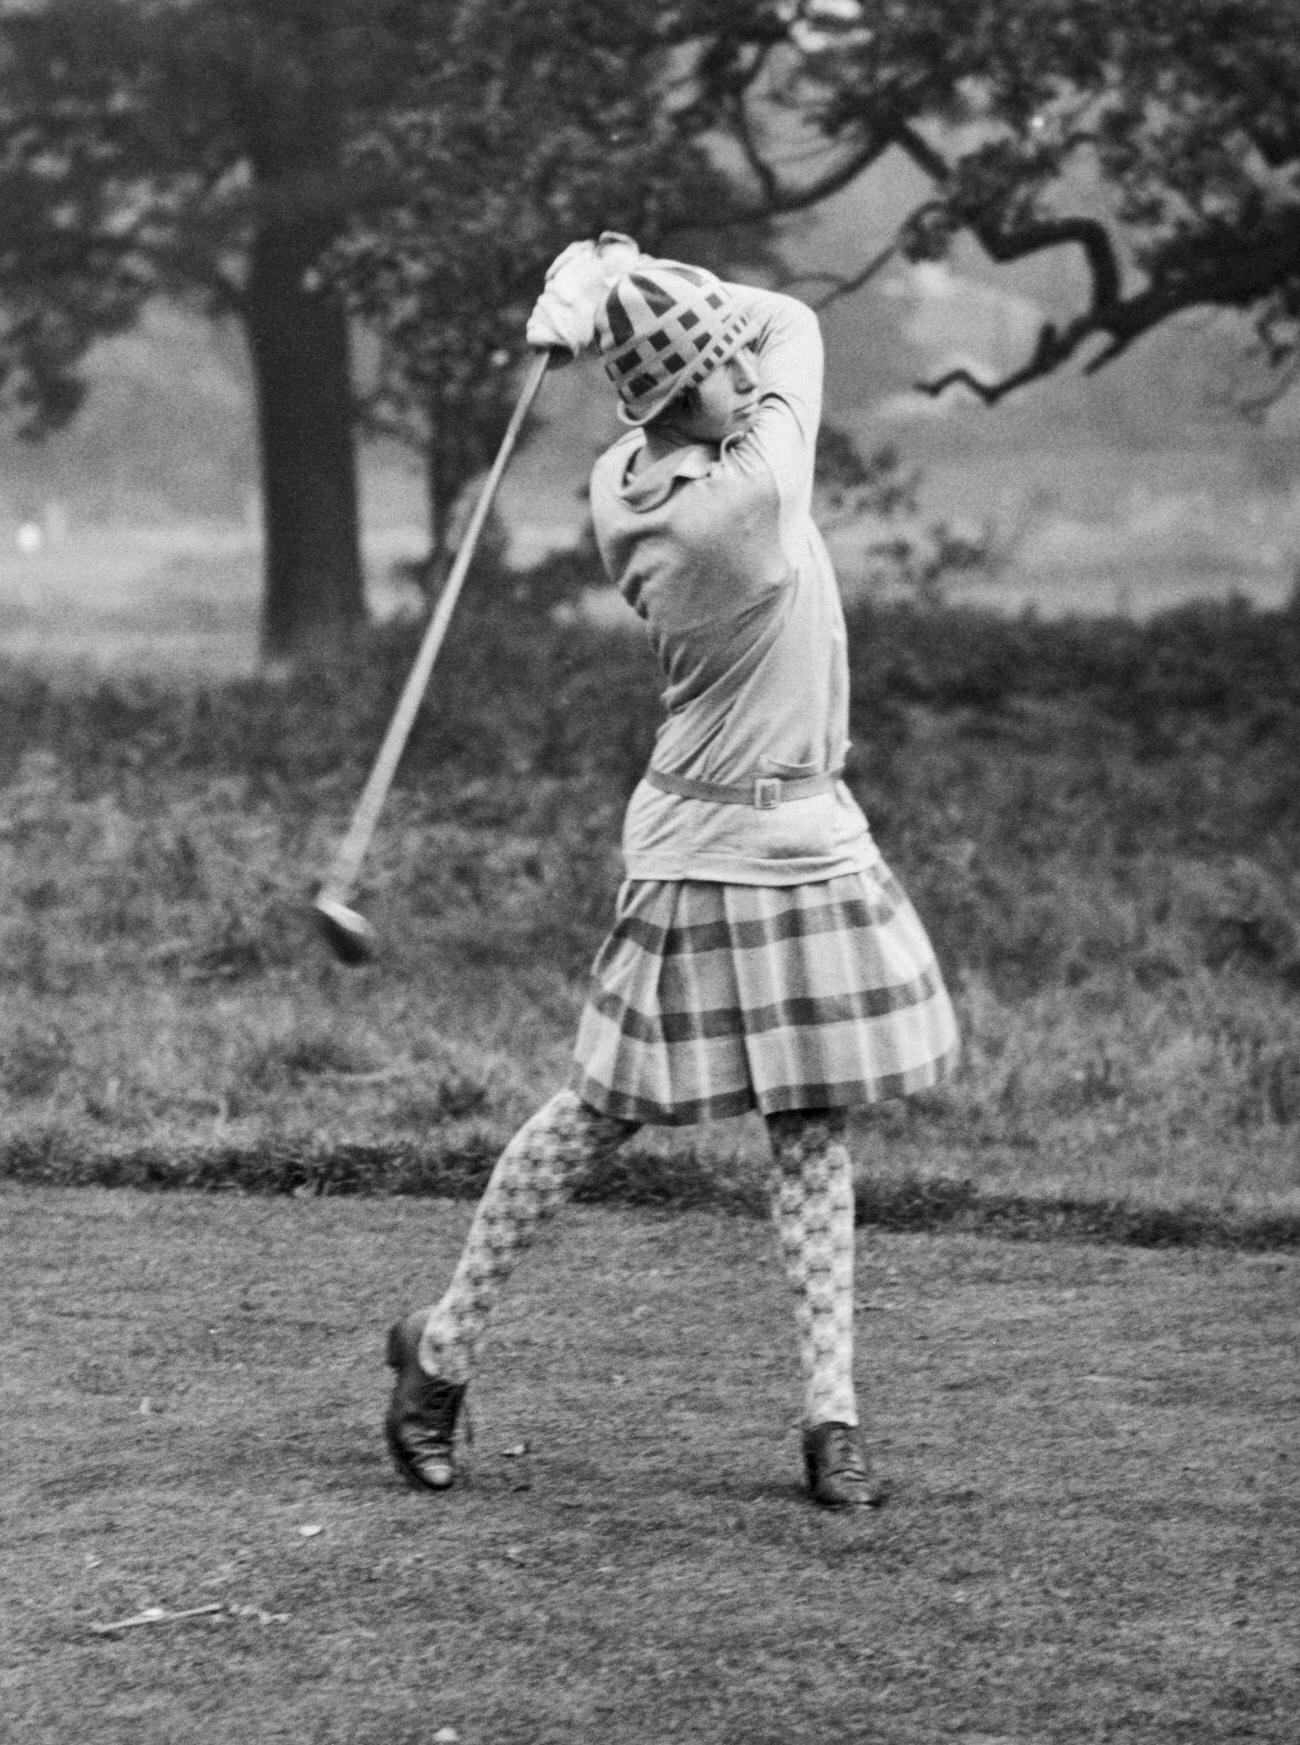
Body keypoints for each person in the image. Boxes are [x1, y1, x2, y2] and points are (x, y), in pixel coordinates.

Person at [384, 234, 959, 1508]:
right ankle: (437, 1354)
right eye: (717, 359)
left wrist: (609, 293)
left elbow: (720, 347)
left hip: (803, 831)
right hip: (707, 849)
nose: (739, 364)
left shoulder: (618, 474)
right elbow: (790, 320)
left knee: (811, 1125)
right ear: (703, 383)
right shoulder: (746, 496)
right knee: (598, 1112)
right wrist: (639, 271)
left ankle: (831, 1419)